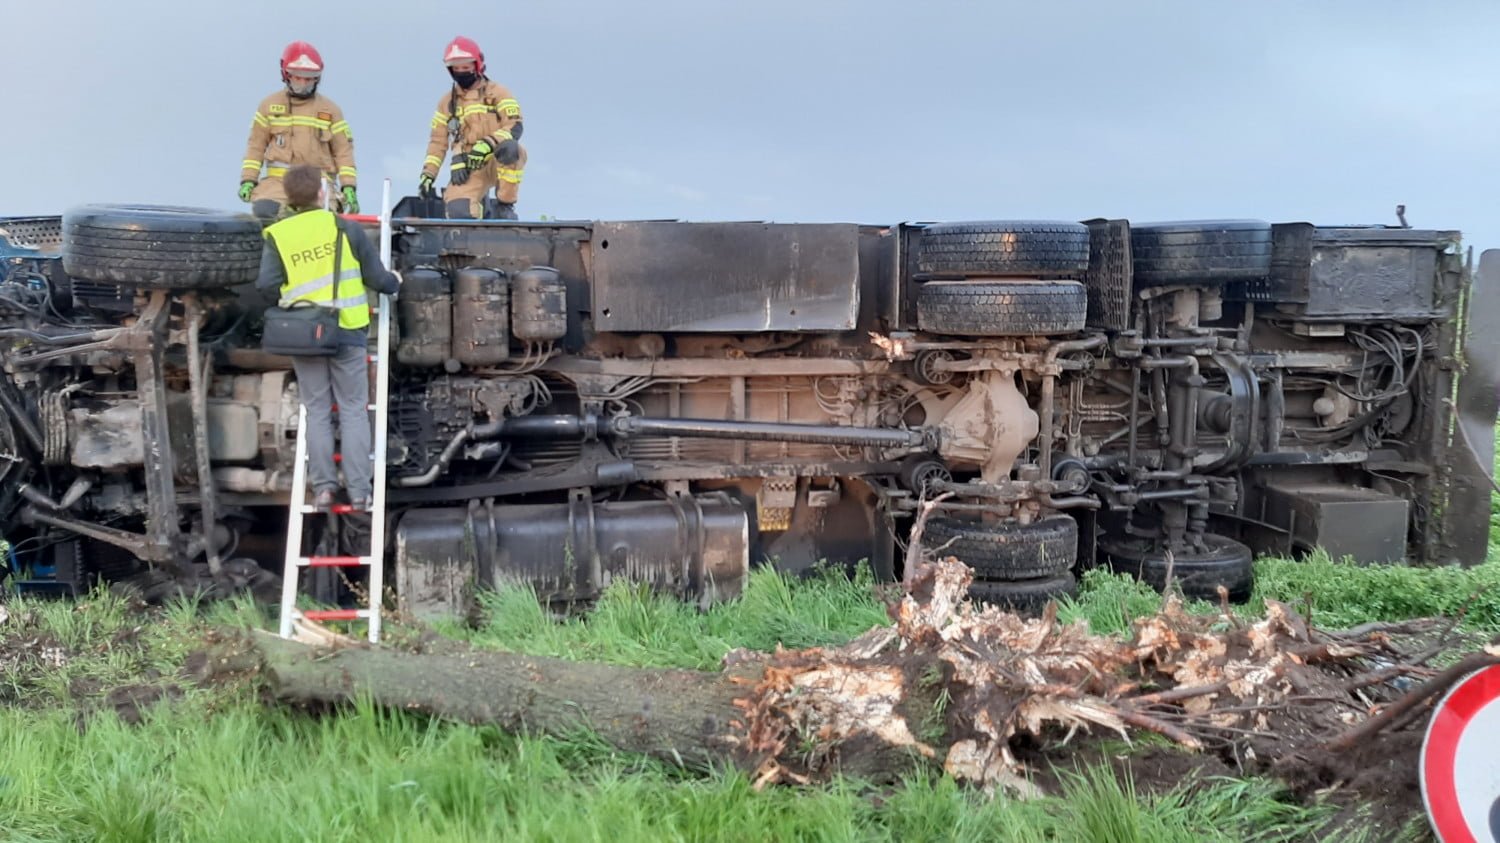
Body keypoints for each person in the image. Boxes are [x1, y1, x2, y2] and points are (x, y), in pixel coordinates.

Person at [256, 165, 399, 511]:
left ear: (289, 197)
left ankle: (323, 489)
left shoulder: (278, 234)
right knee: (353, 410)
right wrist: (394, 281)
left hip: (305, 335)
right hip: (347, 330)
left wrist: (295, 302)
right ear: (321, 193)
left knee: (317, 411)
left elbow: (266, 286)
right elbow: (377, 279)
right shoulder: (344, 228)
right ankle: (360, 492)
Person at [240, 41, 360, 222]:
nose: (303, 83)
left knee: (319, 224)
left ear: (317, 78)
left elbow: (343, 152)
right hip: (277, 186)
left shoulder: (330, 110)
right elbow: (255, 147)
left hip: (318, 185)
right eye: (298, 77)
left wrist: (348, 186)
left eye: (309, 78)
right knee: (264, 215)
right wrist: (248, 180)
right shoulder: (269, 106)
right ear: (286, 75)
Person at [419, 35, 527, 220]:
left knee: (511, 149)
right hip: (468, 164)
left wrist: (487, 144)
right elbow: (438, 141)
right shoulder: (447, 103)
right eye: (456, 68)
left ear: (477, 65)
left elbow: (514, 125)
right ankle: (478, 212)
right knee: (459, 213)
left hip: (496, 157)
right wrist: (428, 174)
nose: (461, 72)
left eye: (466, 68)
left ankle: (505, 205)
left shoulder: (498, 93)